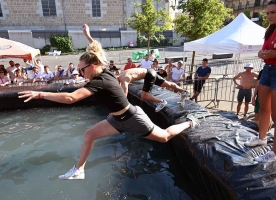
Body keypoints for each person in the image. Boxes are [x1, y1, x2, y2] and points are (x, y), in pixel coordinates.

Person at [18, 24, 200, 180]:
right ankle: (79, 170)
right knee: (89, 134)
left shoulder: (99, 81)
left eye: (82, 70)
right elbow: (95, 49)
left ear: (93, 66)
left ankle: (190, 121)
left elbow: (71, 98)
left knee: (165, 136)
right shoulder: (101, 68)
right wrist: (88, 36)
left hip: (132, 117)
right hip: (116, 118)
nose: (81, 73)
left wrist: (40, 94)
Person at [245, 1, 276, 162]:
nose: (270, 16)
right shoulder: (269, 31)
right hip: (267, 70)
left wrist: (270, 53)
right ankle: (261, 137)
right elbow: (265, 52)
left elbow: (271, 52)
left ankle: (274, 153)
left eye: (273, 12)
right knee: (264, 109)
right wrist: (263, 53)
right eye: (268, 13)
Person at [117, 68, 190, 112]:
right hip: (150, 71)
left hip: (148, 75)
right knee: (166, 84)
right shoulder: (122, 74)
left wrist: (118, 109)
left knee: (143, 96)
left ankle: (161, 102)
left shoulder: (124, 78)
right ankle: (183, 91)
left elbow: (124, 95)